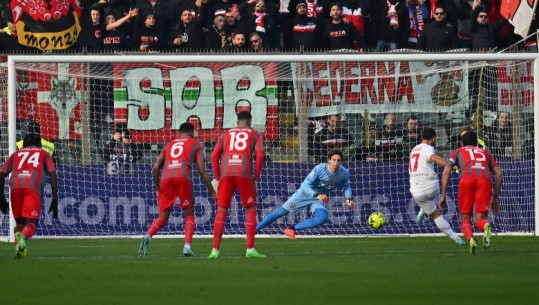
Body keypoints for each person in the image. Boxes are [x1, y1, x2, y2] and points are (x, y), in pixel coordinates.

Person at [139, 123, 217, 258]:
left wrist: (157, 188)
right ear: (192, 132)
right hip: (183, 176)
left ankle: (148, 236)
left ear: (180, 132)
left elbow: (156, 167)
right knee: (189, 214)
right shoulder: (196, 144)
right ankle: (187, 247)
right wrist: (212, 191)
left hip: (166, 178)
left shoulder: (169, 145)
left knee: (163, 216)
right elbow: (202, 171)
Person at [256, 149, 354, 238]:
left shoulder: (344, 173)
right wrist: (316, 195)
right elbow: (304, 185)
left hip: (318, 198)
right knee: (280, 212)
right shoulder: (320, 169)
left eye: (338, 160)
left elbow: (347, 186)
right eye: (334, 160)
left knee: (322, 218)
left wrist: (348, 199)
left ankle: (291, 228)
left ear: (341, 162)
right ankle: (254, 231)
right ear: (329, 160)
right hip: (305, 194)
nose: (336, 163)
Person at [209, 111, 265, 258]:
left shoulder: (226, 134)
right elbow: (260, 155)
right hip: (245, 172)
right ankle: (250, 250)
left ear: (237, 122)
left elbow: (214, 156)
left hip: (226, 173)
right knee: (250, 209)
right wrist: (256, 177)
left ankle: (215, 251)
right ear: (250, 122)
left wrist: (217, 177)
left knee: (221, 210)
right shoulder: (255, 134)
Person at [440, 130, 503, 254]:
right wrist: (495, 197)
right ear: (477, 143)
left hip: (466, 180)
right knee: (480, 218)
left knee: (465, 218)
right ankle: (486, 226)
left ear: (462, 143)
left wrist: (443, 195)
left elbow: (446, 170)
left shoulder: (458, 151)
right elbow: (499, 173)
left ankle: (471, 239)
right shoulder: (485, 153)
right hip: (484, 180)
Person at [0, 134, 59, 259]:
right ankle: (22, 237)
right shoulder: (43, 154)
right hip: (32, 186)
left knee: (20, 224)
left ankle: (20, 251)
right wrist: (54, 198)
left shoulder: (15, 154)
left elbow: (1, 175)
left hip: (15, 186)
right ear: (39, 144)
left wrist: (1, 197)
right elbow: (53, 174)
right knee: (31, 223)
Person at [409, 128, 465, 245]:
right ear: (434, 138)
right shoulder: (429, 148)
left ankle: (455, 238)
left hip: (416, 190)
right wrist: (451, 165)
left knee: (433, 213)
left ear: (421, 138)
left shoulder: (413, 150)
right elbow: (433, 158)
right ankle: (422, 211)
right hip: (431, 187)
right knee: (431, 205)